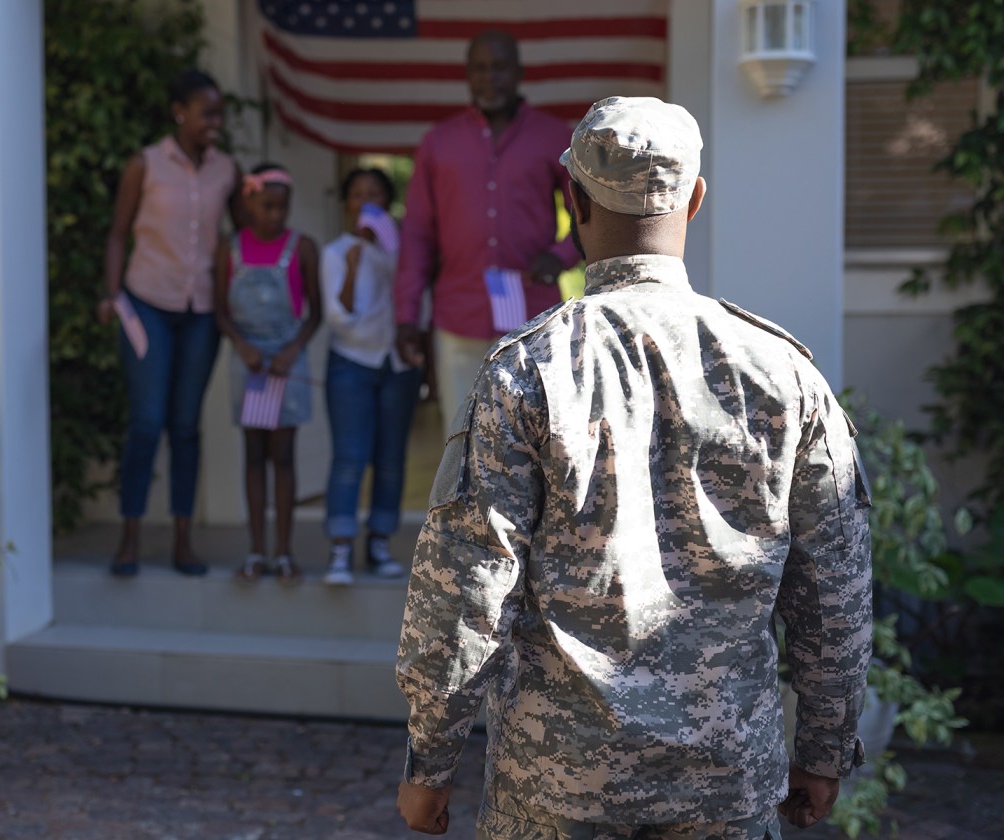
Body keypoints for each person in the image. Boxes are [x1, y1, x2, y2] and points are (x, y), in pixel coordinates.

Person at [394, 97, 873, 839]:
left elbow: (466, 589)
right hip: (726, 784)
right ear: (696, 199)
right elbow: (834, 587)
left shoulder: (529, 370)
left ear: (572, 201)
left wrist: (430, 762)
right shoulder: (784, 374)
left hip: (557, 791)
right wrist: (825, 748)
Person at [98, 69, 245, 578]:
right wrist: (111, 293)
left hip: (201, 312)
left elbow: (242, 239)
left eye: (219, 114)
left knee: (185, 426)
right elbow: (118, 233)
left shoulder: (227, 170)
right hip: (146, 307)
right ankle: (130, 535)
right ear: (179, 112)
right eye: (207, 113)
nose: (215, 122)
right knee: (146, 422)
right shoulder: (146, 165)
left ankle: (183, 539)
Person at [394, 29, 581, 425]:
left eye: (499, 67)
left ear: (518, 72)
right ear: (467, 74)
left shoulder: (552, 136)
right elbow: (417, 235)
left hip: (531, 316)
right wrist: (407, 316)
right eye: (479, 68)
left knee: (533, 434)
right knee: (461, 435)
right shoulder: (439, 143)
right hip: (458, 315)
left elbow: (589, 209)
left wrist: (562, 255)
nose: (489, 78)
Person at [214, 163, 321, 585]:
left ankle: (284, 553)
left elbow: (316, 313)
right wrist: (241, 345)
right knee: (253, 455)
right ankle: (256, 550)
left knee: (284, 455)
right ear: (248, 203)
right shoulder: (230, 248)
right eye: (267, 206)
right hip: (250, 362)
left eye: (282, 207)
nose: (275, 216)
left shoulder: (303, 247)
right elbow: (219, 311)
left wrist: (292, 350)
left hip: (285, 363)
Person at [319, 168, 421, 586]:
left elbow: (413, 300)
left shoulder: (399, 253)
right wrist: (354, 263)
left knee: (391, 460)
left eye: (375, 195)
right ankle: (340, 548)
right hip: (351, 362)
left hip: (395, 366)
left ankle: (379, 543)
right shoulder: (335, 252)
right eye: (358, 194)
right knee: (350, 457)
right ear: (346, 203)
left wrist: (390, 253)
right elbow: (339, 319)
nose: (366, 202)